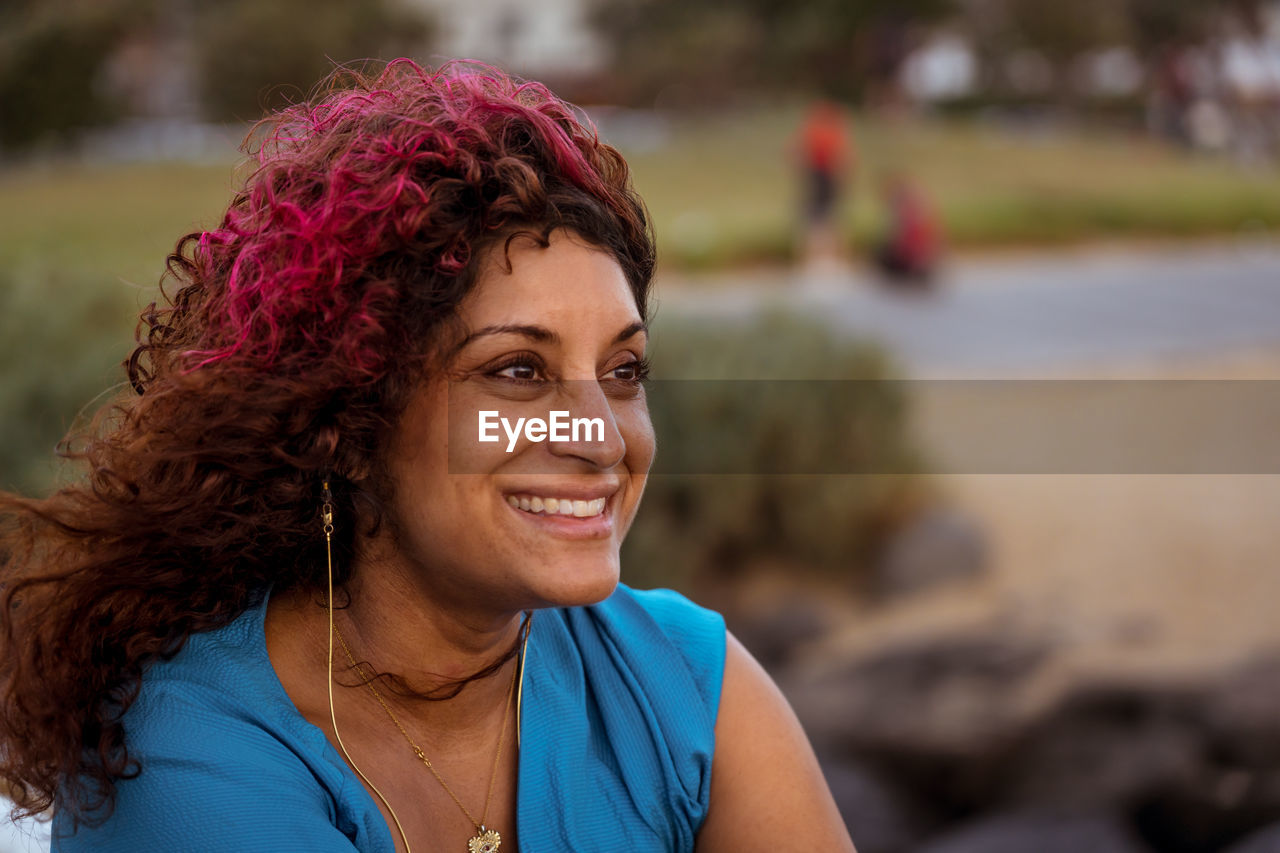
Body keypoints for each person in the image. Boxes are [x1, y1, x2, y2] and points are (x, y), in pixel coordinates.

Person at [0, 61, 854, 852]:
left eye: (623, 371)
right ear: (349, 422)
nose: (601, 435)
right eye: (518, 371)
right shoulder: (189, 763)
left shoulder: (684, 682)